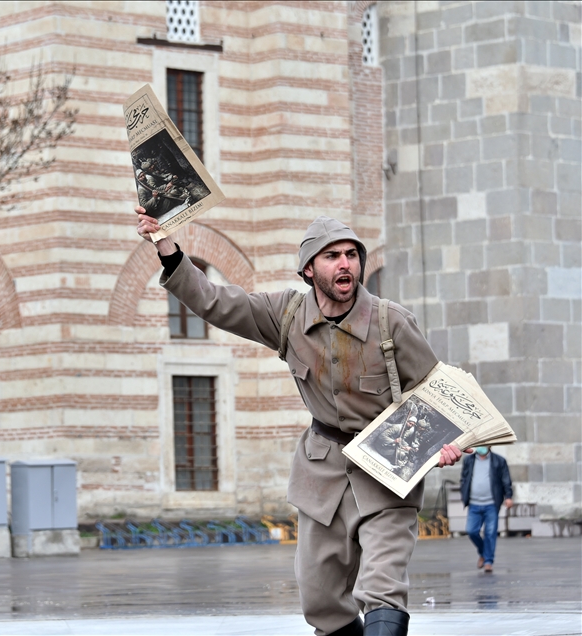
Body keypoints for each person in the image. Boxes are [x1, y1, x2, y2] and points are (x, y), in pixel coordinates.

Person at [134, 210, 466, 636]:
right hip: (321, 474)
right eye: (332, 256)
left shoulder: (391, 322)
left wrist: (446, 441)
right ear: (309, 269)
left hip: (389, 469)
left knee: (383, 588)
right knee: (321, 601)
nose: (345, 264)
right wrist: (166, 245)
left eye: (351, 254)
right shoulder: (286, 316)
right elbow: (214, 302)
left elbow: (436, 393)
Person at [459, 446, 513, 573]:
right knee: (471, 531)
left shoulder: (499, 461)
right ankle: (484, 553)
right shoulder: (468, 460)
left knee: (490, 533)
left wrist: (508, 496)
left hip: (491, 503)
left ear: (490, 445)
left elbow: (506, 480)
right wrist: (464, 493)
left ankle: (488, 561)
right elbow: (464, 478)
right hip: (473, 503)